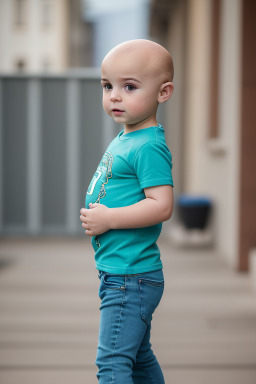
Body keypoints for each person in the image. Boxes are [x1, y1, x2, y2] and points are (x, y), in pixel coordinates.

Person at [80, 39, 174, 383]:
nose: (114, 96)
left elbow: (161, 205)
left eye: (129, 87)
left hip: (129, 277)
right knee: (137, 357)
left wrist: (109, 219)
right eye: (108, 86)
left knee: (113, 363)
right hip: (120, 274)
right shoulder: (128, 137)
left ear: (163, 93)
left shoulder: (148, 145)